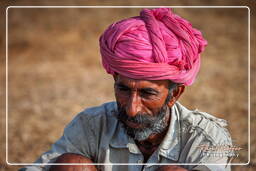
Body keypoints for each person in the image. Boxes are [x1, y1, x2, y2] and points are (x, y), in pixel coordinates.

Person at [20, 8, 234, 171]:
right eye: (123, 89)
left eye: (147, 93)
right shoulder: (92, 125)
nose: (131, 109)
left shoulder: (207, 138)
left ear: (174, 95)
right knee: (71, 164)